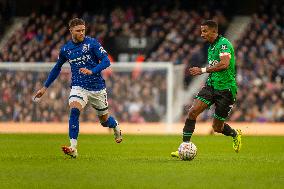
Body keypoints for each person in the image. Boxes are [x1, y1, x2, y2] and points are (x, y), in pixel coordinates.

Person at [34, 18, 122, 158]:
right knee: (74, 110)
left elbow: (106, 61)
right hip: (78, 86)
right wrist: (45, 87)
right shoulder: (66, 49)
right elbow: (57, 68)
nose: (82, 33)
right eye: (78, 30)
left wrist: (92, 71)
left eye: (83, 30)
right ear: (71, 31)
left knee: (105, 122)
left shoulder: (92, 43)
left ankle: (115, 125)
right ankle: (73, 148)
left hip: (97, 87)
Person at [171, 20, 242, 158]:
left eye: (205, 31)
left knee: (217, 128)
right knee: (192, 112)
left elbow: (225, 64)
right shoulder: (211, 47)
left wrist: (202, 70)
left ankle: (235, 134)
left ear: (214, 31)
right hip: (211, 86)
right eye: (201, 31)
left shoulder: (223, 44)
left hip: (226, 90)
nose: (202, 34)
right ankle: (184, 147)